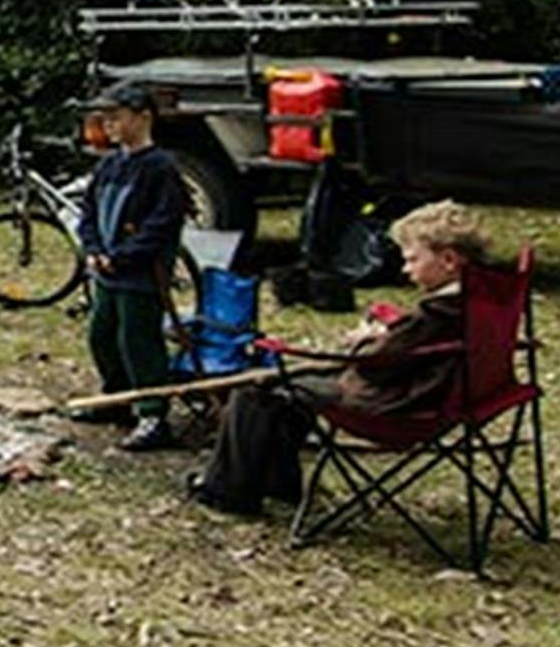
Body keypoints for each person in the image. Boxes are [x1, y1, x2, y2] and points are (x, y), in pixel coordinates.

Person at [188, 199, 487, 516]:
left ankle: (226, 491)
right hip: (434, 391)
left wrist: (366, 341)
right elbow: (415, 346)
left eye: (412, 260)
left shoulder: (437, 312)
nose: (406, 269)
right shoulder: (480, 298)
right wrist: (390, 335)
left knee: (256, 391)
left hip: (399, 402)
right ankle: (277, 482)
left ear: (449, 260)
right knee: (290, 386)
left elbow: (375, 367)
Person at [73, 81, 187, 452]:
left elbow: (163, 223)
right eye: (104, 118)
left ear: (143, 117)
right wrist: (92, 249)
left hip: (140, 272)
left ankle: (153, 414)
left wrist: (123, 255)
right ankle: (117, 399)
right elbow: (87, 212)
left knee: (138, 340)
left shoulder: (161, 168)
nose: (109, 125)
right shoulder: (109, 165)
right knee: (101, 334)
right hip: (106, 271)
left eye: (116, 117)